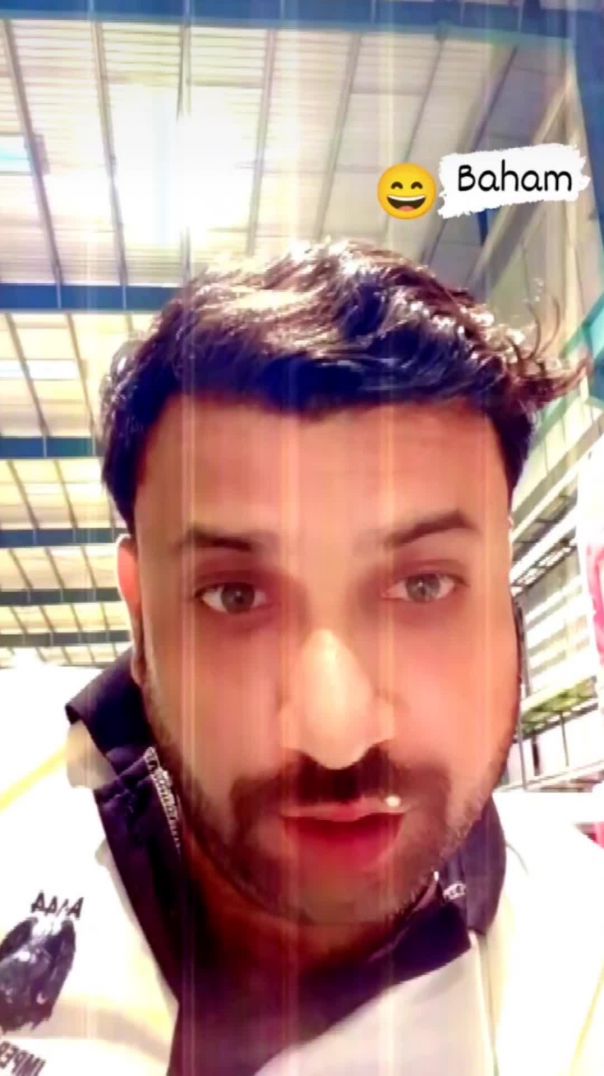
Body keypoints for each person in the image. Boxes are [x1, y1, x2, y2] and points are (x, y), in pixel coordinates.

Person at [1, 240, 603, 1076]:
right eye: (235, 595)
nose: (336, 734)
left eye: (423, 586)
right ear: (140, 619)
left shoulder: (579, 955)